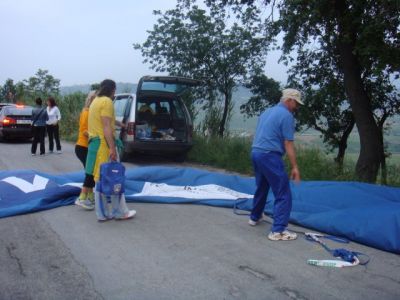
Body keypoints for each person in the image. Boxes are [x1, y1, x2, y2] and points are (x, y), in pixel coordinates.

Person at [249, 88, 303, 241]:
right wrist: (295, 166)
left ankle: (254, 217)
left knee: (262, 186)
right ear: (289, 100)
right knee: (283, 192)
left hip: (256, 152)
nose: (296, 107)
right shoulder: (287, 116)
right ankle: (278, 231)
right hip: (269, 155)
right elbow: (288, 143)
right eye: (296, 103)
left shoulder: (267, 111)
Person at [86, 79, 135, 221]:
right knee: (114, 178)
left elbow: (106, 120)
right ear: (112, 89)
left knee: (101, 179)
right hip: (104, 145)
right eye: (115, 90)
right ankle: (120, 212)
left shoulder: (95, 101)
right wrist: (112, 148)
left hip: (95, 144)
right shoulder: (107, 102)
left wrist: (121, 124)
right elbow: (106, 126)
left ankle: (103, 214)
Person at [75, 91, 97, 210]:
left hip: (87, 147)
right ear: (91, 100)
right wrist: (95, 137)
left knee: (91, 172)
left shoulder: (92, 113)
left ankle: (90, 196)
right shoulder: (87, 112)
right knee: (90, 173)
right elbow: (83, 130)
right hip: (83, 147)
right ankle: (82, 198)